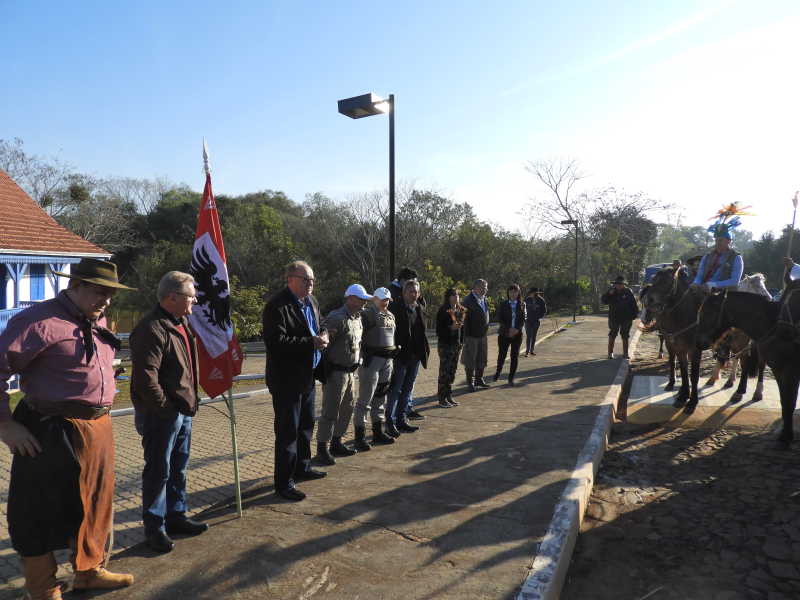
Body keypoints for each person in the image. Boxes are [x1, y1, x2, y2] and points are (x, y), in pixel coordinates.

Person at [0, 258, 135, 598]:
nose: (106, 300)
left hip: (97, 429)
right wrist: (5, 425)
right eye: (99, 292)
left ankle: (88, 573)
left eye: (110, 294)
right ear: (75, 286)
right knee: (39, 510)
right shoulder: (37, 321)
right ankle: (43, 588)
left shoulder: (97, 318)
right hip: (51, 429)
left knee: (94, 504)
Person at [130, 271, 209, 554]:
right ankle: (155, 527)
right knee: (158, 472)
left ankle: (176, 516)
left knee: (178, 468)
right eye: (190, 296)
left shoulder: (182, 322)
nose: (195, 300)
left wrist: (185, 408)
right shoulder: (151, 329)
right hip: (161, 415)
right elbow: (145, 380)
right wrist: (166, 411)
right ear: (172, 298)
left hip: (182, 412)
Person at [263, 261, 329, 502]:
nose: (310, 283)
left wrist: (323, 336)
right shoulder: (276, 306)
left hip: (309, 376)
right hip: (287, 381)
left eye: (312, 279)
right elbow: (276, 342)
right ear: (290, 279)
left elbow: (319, 325)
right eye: (305, 279)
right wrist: (311, 343)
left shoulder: (312, 301)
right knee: (287, 433)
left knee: (305, 428)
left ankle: (303, 467)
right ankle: (284, 482)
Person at [315, 284, 372, 465]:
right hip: (336, 372)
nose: (364, 301)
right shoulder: (338, 318)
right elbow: (325, 346)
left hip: (349, 373)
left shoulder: (357, 318)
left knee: (346, 410)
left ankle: (337, 442)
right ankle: (322, 448)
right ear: (351, 299)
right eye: (361, 298)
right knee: (330, 412)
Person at [352, 287, 398, 450]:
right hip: (371, 362)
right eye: (382, 299)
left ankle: (378, 431)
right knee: (365, 400)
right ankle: (359, 436)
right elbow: (355, 337)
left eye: (387, 300)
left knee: (380, 398)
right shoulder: (366, 316)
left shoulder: (390, 316)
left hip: (387, 362)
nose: (385, 302)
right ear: (374, 299)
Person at [385, 280, 430, 437]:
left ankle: (401, 420)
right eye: (410, 291)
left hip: (416, 356)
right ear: (403, 292)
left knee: (407, 390)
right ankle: (389, 423)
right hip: (400, 357)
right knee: (395, 390)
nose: (413, 294)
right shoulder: (395, 308)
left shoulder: (421, 309)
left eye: (415, 292)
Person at [690, 224, 744, 292]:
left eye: (721, 240)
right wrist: (696, 283)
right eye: (716, 240)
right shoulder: (707, 257)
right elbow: (699, 276)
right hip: (704, 290)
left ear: (729, 241)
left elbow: (735, 281)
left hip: (724, 294)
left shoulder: (736, 258)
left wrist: (713, 285)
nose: (718, 243)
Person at [435, 288, 466, 408]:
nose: (456, 296)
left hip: (456, 345)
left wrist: (462, 341)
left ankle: (449, 395)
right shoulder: (443, 311)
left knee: (452, 371)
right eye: (453, 295)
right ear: (448, 297)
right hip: (446, 344)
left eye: (457, 294)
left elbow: (463, 328)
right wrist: (450, 329)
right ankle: (442, 398)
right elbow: (439, 331)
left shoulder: (460, 310)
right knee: (444, 371)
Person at [493, 284, 527, 386]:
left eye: (514, 292)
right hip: (504, 333)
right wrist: (509, 329)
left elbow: (524, 318)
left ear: (518, 293)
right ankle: (498, 371)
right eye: (510, 292)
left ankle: (511, 378)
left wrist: (516, 329)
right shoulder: (503, 304)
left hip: (517, 333)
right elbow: (500, 318)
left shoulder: (522, 304)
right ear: (508, 293)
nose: (512, 294)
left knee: (514, 356)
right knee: (502, 354)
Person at [461, 279, 491, 392]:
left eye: (486, 288)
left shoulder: (485, 300)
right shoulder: (468, 301)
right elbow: (464, 319)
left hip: (483, 335)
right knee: (470, 359)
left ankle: (479, 379)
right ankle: (470, 382)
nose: (485, 290)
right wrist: (466, 335)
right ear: (476, 288)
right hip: (471, 336)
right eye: (483, 288)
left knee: (482, 358)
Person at [601, 275, 640, 359]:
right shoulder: (611, 291)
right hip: (614, 317)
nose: (618, 285)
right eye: (617, 284)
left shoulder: (628, 292)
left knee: (625, 335)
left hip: (626, 317)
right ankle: (610, 352)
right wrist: (608, 294)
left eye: (620, 284)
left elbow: (634, 304)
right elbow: (604, 300)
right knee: (612, 333)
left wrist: (634, 315)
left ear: (623, 284)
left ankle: (625, 353)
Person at [523, 287, 547, 357]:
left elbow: (544, 311)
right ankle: (527, 351)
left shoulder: (541, 301)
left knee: (534, 336)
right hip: (528, 321)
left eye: (532, 292)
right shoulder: (527, 300)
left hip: (536, 321)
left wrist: (539, 316)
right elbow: (523, 308)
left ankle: (532, 350)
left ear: (536, 293)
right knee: (529, 336)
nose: (530, 294)